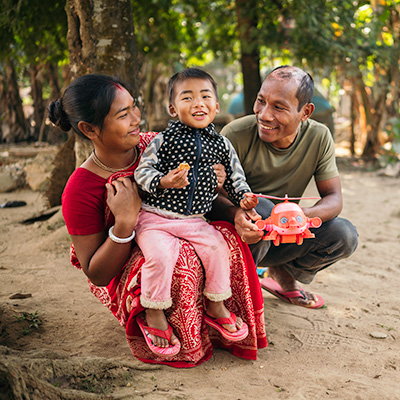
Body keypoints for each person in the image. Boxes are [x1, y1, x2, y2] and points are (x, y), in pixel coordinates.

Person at [48, 74, 267, 368]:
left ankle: (216, 315)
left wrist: (234, 210)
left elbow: (199, 205)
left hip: (183, 224)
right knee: (176, 257)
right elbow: (97, 274)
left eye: (134, 107)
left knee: (223, 237)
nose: (137, 118)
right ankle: (157, 320)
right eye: (123, 114)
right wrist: (124, 223)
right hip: (125, 260)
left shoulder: (160, 144)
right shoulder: (80, 190)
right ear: (89, 128)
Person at [212, 65, 358, 308]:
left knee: (344, 235)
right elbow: (210, 198)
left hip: (284, 234)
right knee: (263, 209)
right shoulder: (235, 134)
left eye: (279, 107)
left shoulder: (319, 137)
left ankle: (283, 273)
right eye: (261, 101)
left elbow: (334, 198)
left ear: (306, 112)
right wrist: (235, 213)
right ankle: (233, 295)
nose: (264, 114)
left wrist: (299, 217)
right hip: (238, 234)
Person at [134, 68, 258, 354]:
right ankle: (154, 312)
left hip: (194, 220)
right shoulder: (163, 141)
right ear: (173, 108)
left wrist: (244, 199)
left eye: (205, 97)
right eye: (187, 98)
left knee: (217, 247)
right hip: (155, 218)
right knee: (160, 256)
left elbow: (237, 178)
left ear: (216, 106)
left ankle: (215, 305)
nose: (198, 103)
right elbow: (142, 172)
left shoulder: (222, 145)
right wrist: (163, 181)